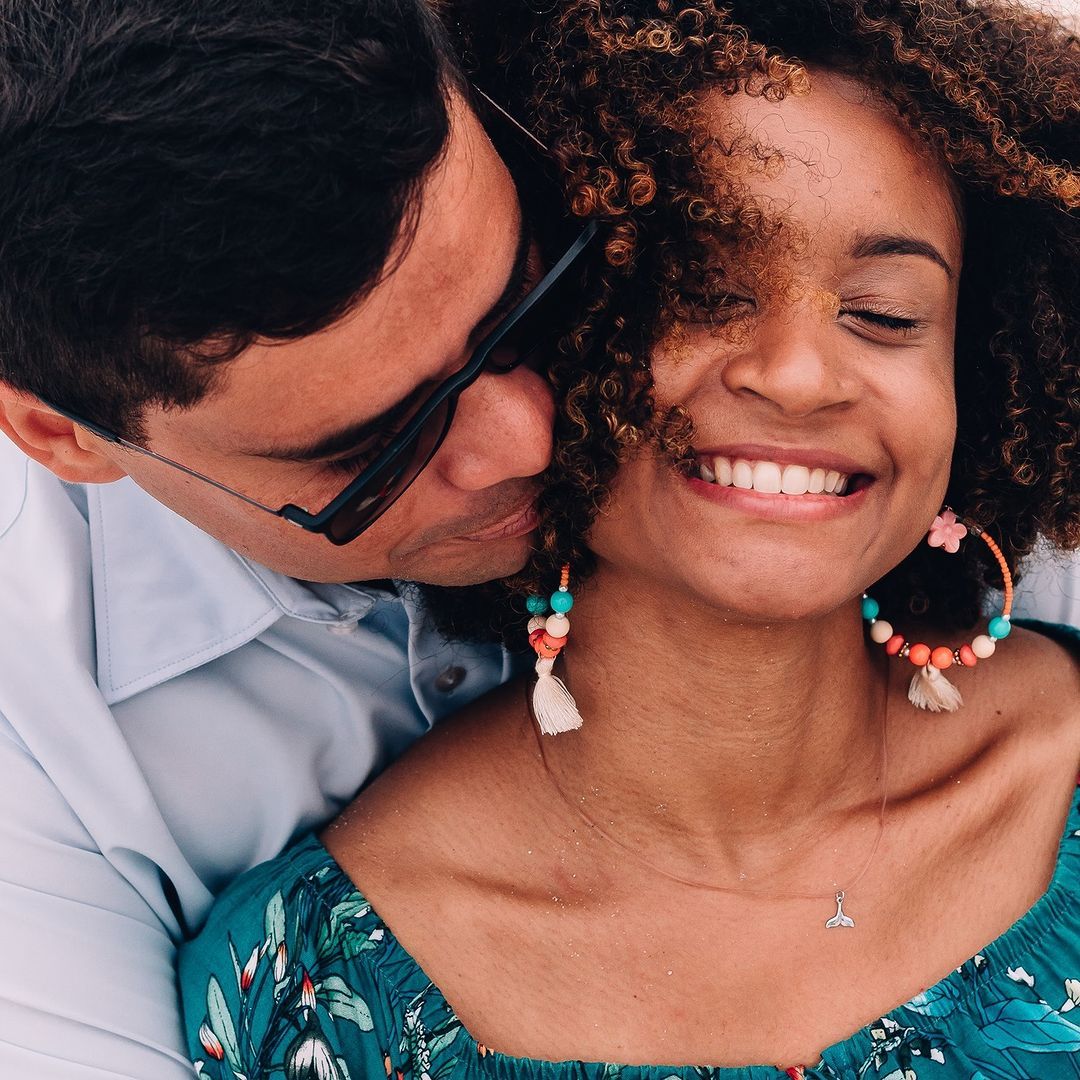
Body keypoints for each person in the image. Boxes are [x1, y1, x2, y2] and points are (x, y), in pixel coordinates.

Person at [179, 1, 1079, 1077]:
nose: (797, 374)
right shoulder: (315, 983)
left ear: (970, 374)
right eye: (703, 292)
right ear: (536, 330)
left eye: (885, 314)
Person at [0, 1, 603, 1074]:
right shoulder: (29, 728)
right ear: (64, 436)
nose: (524, 440)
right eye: (378, 449)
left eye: (525, 301)